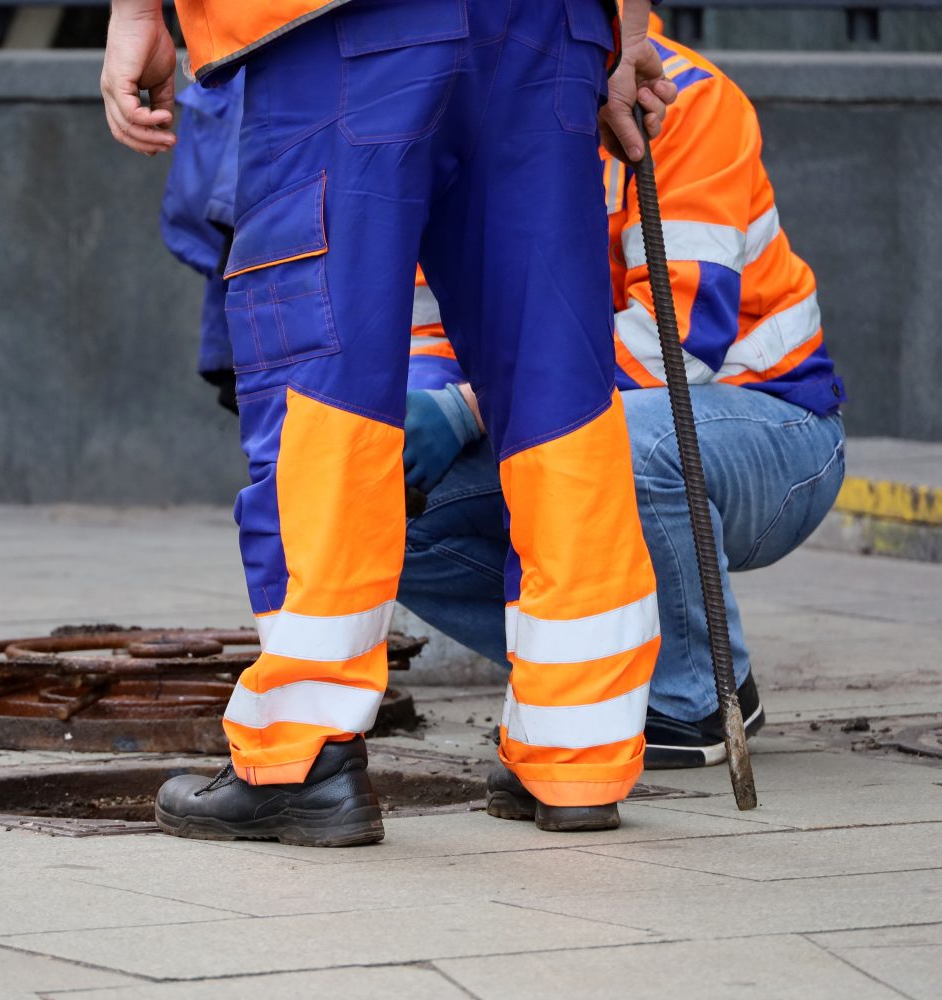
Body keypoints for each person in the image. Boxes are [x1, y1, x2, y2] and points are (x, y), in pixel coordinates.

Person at [104, 0, 677, 845]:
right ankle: (575, 751)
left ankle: (303, 755)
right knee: (557, 382)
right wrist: (625, 31)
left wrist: (133, 13)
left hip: (343, 26)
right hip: (544, 23)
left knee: (324, 379)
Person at [397, 22, 848, 776]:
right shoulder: (465, 104)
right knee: (385, 505)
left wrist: (470, 410)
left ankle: (699, 694)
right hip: (573, 414)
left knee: (622, 440)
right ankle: (592, 675)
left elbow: (678, 345)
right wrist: (414, 421)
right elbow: (434, 323)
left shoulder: (686, 100)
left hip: (771, 427)